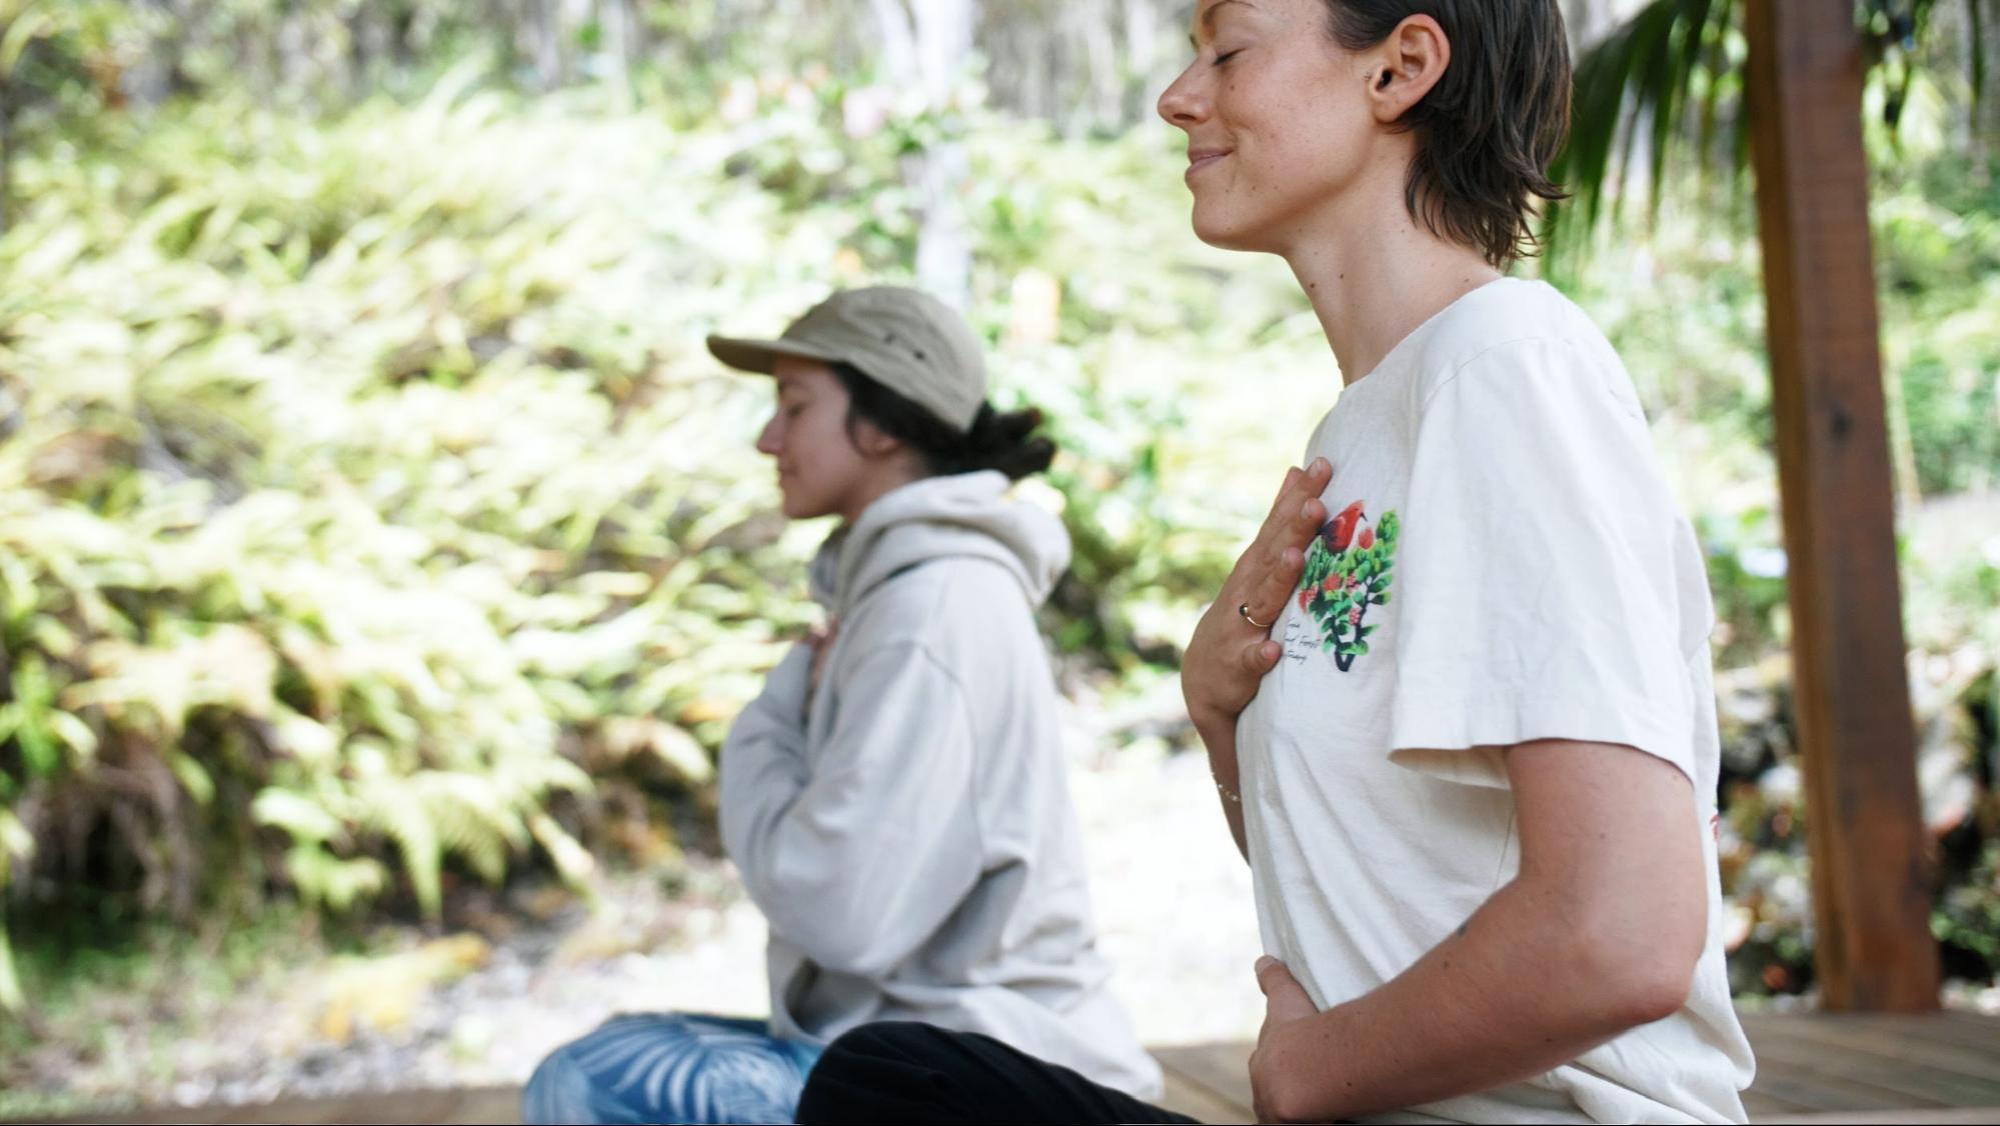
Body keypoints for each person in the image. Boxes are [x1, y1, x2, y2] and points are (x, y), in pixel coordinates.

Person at [796, 2, 1758, 1123]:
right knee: (898, 1079)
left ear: (1398, 68)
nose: (1177, 97)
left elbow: (1620, 933)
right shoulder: (1363, 425)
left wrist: (1310, 1070)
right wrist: (1218, 721)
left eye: (1228, 51)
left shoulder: (1504, 369)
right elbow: (1372, 889)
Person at [520, 286, 1161, 1124]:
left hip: (988, 1077)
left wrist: (769, 719)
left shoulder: (932, 611)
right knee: (621, 1048)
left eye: (794, 406)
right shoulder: (909, 593)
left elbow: (842, 915)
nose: (767, 439)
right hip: (918, 1049)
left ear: (885, 423)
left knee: (592, 1082)